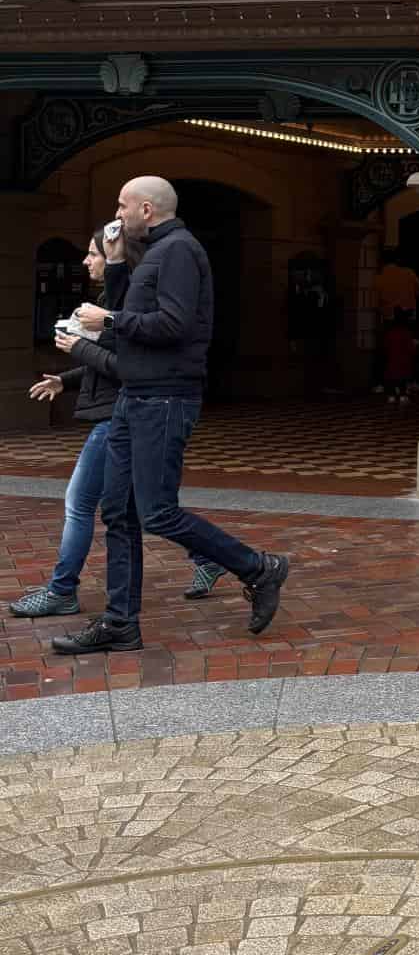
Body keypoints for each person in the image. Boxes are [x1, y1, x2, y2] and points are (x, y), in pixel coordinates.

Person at [50, 177, 291, 656]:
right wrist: (116, 268)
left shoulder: (180, 250)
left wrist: (109, 321)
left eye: (121, 205)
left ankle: (259, 567)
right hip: (134, 397)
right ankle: (121, 624)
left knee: (157, 512)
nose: (115, 215)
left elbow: (173, 325)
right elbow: (128, 323)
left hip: (164, 397)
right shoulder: (152, 254)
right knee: (117, 511)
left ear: (144, 209)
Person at [10, 224, 222, 621]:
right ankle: (209, 557)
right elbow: (105, 364)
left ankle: (62, 590)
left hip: (118, 416)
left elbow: (126, 367)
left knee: (82, 502)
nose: (86, 261)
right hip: (115, 411)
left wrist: (79, 348)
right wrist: (65, 379)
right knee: (140, 507)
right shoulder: (110, 301)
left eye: (93, 254)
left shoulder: (124, 309)